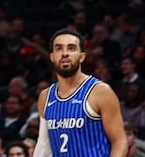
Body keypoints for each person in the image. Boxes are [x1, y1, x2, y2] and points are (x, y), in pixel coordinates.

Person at [34, 29, 127, 157]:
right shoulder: (45, 96)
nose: (65, 53)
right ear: (52, 57)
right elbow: (44, 146)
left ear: (82, 56)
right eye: (59, 49)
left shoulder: (100, 91)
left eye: (71, 48)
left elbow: (120, 142)